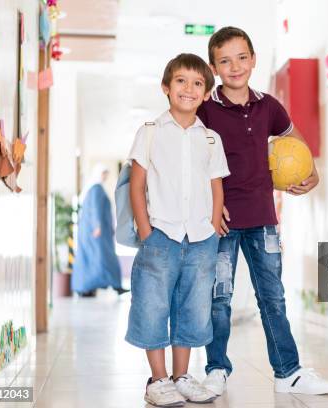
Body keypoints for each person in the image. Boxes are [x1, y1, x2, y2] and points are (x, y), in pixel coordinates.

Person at [197, 26, 328, 396]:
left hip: (263, 219)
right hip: (221, 221)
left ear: (253, 59)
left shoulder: (268, 105)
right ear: (214, 68)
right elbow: (194, 165)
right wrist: (211, 206)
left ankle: (287, 372)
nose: (235, 66)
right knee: (218, 299)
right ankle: (216, 368)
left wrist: (313, 172)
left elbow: (295, 141)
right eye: (225, 60)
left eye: (242, 57)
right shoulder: (205, 110)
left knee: (272, 297)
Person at [125, 53, 230, 406]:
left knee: (194, 306)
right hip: (161, 235)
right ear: (166, 88)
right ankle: (157, 380)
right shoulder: (150, 133)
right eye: (181, 81)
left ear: (205, 93)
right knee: (153, 304)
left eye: (197, 83)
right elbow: (136, 185)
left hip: (201, 238)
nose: (189, 88)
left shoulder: (211, 138)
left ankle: (182, 375)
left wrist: (215, 227)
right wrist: (145, 230)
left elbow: (216, 185)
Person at [72, 164, 129, 297]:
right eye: (104, 174)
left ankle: (87, 287)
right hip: (96, 233)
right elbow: (95, 209)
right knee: (102, 258)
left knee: (93, 259)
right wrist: (97, 226)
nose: (105, 177)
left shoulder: (93, 188)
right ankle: (112, 286)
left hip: (94, 232)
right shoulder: (96, 188)